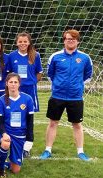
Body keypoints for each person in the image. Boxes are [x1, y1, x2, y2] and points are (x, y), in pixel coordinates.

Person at [40, 29, 93, 161]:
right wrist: (59, 85)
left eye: (73, 39)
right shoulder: (55, 56)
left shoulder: (85, 58)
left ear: (77, 41)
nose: (70, 41)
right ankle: (47, 150)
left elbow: (88, 76)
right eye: (68, 39)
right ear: (64, 40)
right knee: (53, 123)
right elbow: (50, 75)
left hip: (76, 97)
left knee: (77, 125)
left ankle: (80, 152)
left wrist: (77, 85)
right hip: (57, 96)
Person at [7, 32, 42, 157]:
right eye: (20, 41)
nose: (22, 44)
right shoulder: (11, 56)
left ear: (29, 42)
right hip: (15, 91)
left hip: (30, 91)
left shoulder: (35, 55)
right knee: (14, 115)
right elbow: (9, 74)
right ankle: (13, 143)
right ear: (17, 43)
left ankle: (27, 147)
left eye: (25, 41)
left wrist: (31, 82)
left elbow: (39, 73)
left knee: (29, 119)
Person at [0, 73, 34, 177]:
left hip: (20, 135)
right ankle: (1, 169)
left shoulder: (28, 99)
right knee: (6, 143)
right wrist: (3, 133)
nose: (13, 84)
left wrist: (30, 139)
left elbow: (30, 121)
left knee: (15, 170)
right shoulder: (1, 100)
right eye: (10, 82)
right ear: (6, 84)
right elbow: (0, 122)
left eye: (15, 82)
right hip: (6, 132)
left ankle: (4, 159)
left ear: (19, 84)